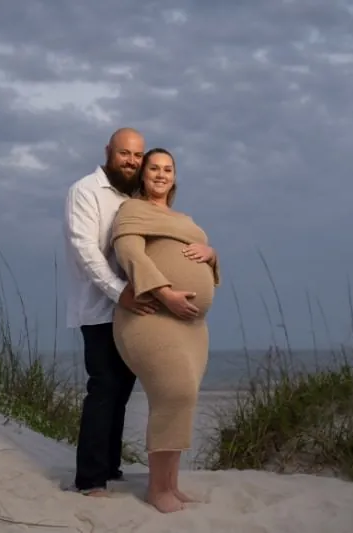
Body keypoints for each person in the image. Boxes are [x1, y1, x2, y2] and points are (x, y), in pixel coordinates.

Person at [110, 147, 221, 513]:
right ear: (143, 174)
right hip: (151, 315)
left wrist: (211, 255)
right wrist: (165, 293)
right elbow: (130, 254)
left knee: (184, 396)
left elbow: (203, 255)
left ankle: (171, 485)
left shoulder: (185, 219)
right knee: (172, 392)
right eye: (153, 168)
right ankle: (158, 490)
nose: (160, 174)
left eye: (168, 169)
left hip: (192, 325)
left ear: (174, 176)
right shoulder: (132, 210)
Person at [63, 127, 160, 496]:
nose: (132, 161)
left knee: (122, 390)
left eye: (137, 155)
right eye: (125, 154)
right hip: (100, 307)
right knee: (103, 387)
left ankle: (111, 465)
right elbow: (86, 252)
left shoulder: (135, 195)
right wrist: (121, 294)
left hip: (132, 309)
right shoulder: (85, 191)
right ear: (109, 151)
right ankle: (90, 479)